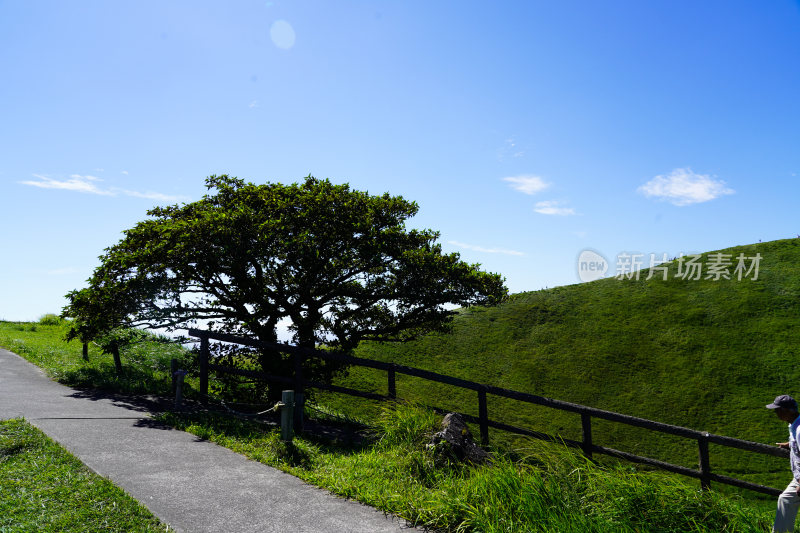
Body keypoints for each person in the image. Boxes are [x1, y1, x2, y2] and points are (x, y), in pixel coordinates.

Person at [767, 394, 800, 533]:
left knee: (785, 500)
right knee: (785, 500)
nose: (776, 413)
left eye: (778, 410)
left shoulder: (799, 429)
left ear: (788, 411)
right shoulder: (794, 424)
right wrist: (791, 445)